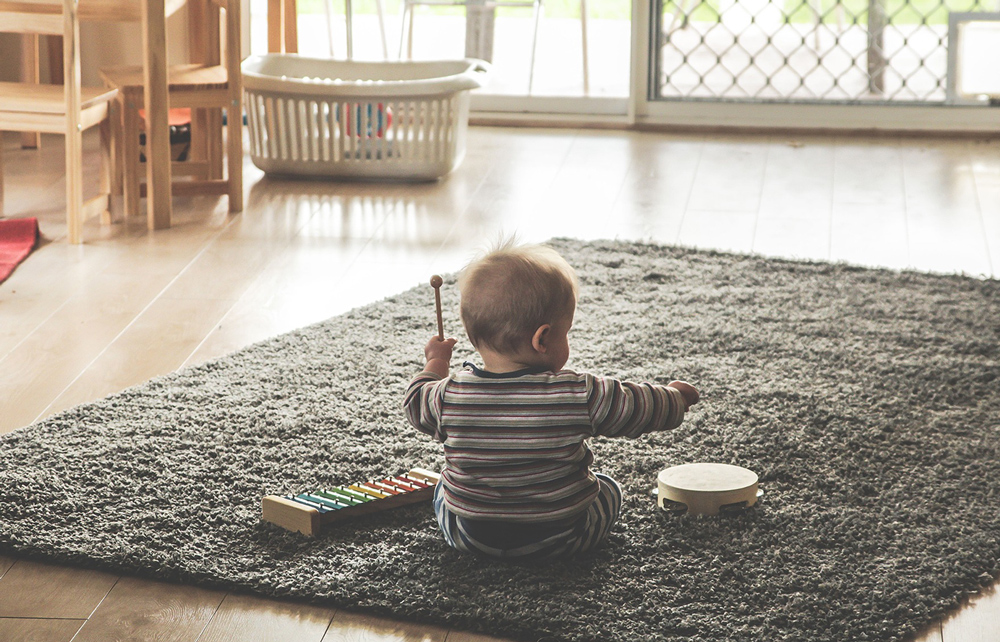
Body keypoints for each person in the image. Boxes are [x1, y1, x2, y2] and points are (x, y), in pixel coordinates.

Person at [403, 238, 699, 560]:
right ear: (542, 338)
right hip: (562, 538)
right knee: (609, 488)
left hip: (473, 538)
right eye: (566, 332)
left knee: (441, 490)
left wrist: (436, 362)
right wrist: (674, 399)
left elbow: (415, 401)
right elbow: (635, 405)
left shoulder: (447, 396)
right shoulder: (577, 394)